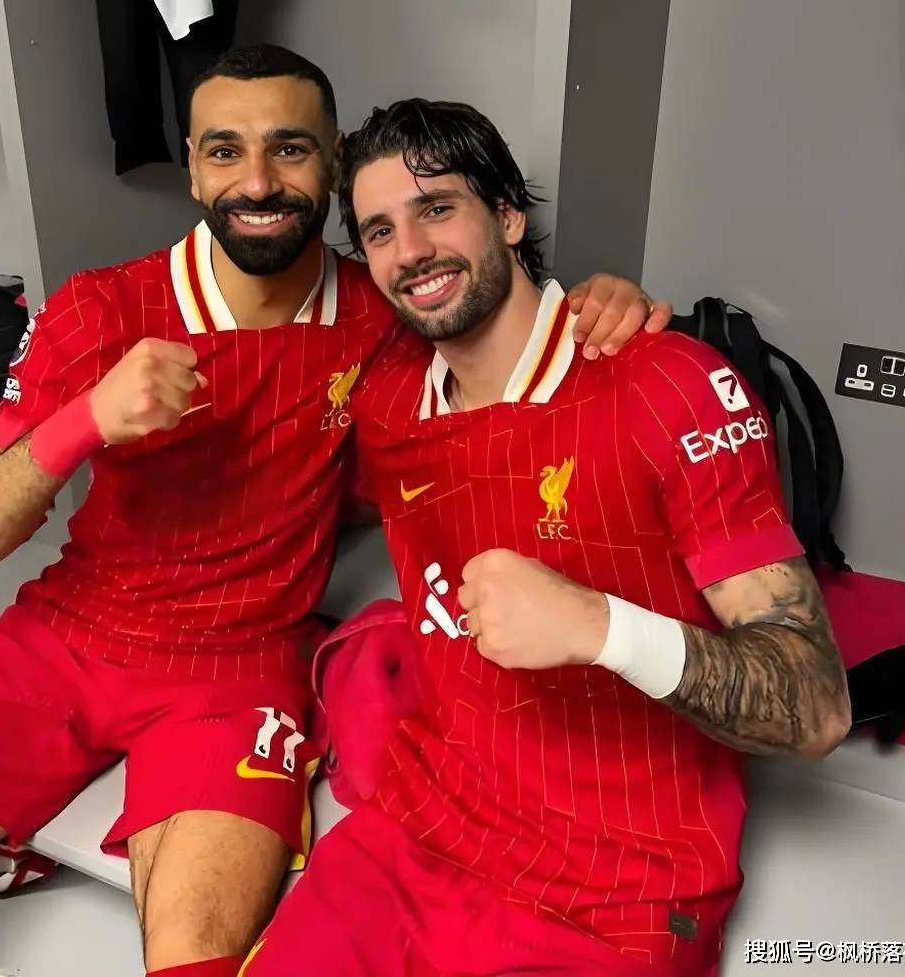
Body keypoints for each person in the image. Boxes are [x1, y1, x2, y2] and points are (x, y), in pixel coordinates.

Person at [0, 47, 664, 977]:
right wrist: (87, 419)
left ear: (333, 162)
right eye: (226, 151)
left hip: (239, 671)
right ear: (194, 170)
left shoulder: (379, 316)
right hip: (68, 638)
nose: (259, 181)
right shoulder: (103, 307)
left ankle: (4, 849)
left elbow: (505, 352)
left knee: (194, 961)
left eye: (290, 149)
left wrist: (596, 306)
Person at [240, 98, 853, 977]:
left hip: (619, 884)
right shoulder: (387, 399)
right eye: (379, 231)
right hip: (417, 831)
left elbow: (818, 706)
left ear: (507, 215)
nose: (410, 251)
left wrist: (600, 627)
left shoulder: (668, 385)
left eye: (436, 208)